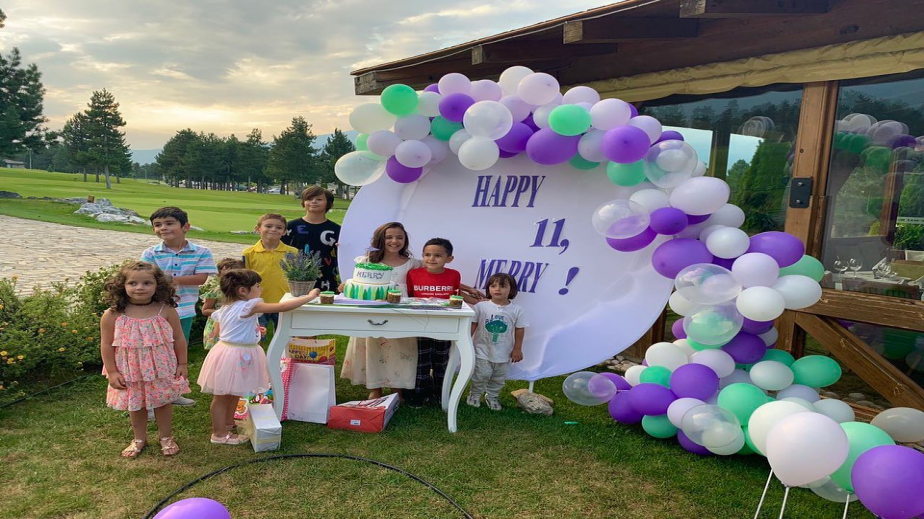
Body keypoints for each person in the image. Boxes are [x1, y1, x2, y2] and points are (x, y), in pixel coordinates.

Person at [197, 269, 319, 445]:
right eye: (257, 286)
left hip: (227, 352)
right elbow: (282, 307)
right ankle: (219, 434)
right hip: (236, 355)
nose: (260, 289)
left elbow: (219, 332)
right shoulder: (249, 306)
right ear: (243, 290)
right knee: (222, 397)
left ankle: (228, 423)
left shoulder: (225, 308)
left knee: (233, 392)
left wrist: (251, 330)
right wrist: (309, 297)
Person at [101, 261, 189, 458]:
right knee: (136, 404)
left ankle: (166, 437)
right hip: (130, 370)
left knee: (163, 402)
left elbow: (179, 338)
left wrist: (182, 363)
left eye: (147, 283)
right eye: (133, 283)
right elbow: (106, 345)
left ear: (158, 285)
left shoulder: (166, 310)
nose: (140, 287)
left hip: (160, 368)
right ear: (122, 285)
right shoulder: (113, 314)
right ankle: (139, 439)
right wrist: (112, 372)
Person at [141, 206, 217, 406]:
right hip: (155, 312)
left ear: (185, 227)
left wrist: (167, 279)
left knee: (177, 351)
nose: (163, 228)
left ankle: (174, 391)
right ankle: (150, 396)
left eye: (169, 223)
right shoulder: (150, 253)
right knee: (154, 352)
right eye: (157, 225)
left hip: (183, 310)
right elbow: (144, 277)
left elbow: (200, 278)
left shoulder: (201, 252)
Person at [341, 222, 421, 400]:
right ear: (380, 239)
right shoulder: (367, 262)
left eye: (399, 237)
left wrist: (465, 288)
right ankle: (374, 386)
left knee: (399, 349)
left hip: (400, 313)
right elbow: (357, 283)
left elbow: (433, 276)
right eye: (389, 237)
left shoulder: (413, 264)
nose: (394, 241)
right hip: (372, 312)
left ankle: (397, 387)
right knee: (373, 347)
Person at [405, 237, 462, 406]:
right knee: (420, 359)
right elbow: (410, 297)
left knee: (441, 359)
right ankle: (419, 393)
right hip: (420, 323)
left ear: (449, 258)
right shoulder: (413, 274)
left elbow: (456, 297)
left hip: (444, 324)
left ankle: (441, 392)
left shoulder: (454, 275)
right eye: (427, 255)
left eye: (438, 255)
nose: (431, 259)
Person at [467, 273, 529, 411]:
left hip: (504, 353)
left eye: (503, 286)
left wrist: (517, 348)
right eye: (493, 286)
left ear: (511, 290)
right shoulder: (480, 307)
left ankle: (492, 396)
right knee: (481, 375)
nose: (497, 289)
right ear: (488, 289)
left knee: (499, 378)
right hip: (482, 350)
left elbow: (519, 329)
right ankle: (474, 395)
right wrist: (466, 343)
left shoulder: (517, 310)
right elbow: (473, 325)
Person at [243, 213, 299, 331]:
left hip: (285, 301)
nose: (273, 229)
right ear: (258, 229)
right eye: (268, 226)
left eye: (279, 227)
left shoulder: (292, 252)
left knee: (284, 334)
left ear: (284, 232)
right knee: (257, 335)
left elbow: (297, 277)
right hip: (258, 303)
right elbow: (244, 279)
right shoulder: (248, 253)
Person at [282, 186, 341, 293]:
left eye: (319, 199)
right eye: (309, 199)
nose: (313, 202)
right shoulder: (291, 227)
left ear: (329, 203)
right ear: (303, 202)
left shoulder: (336, 230)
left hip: (326, 279)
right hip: (296, 280)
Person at [200, 258, 245, 350]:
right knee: (219, 349)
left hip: (236, 324)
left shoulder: (243, 291)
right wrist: (224, 312)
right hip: (219, 324)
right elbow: (205, 310)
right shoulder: (217, 291)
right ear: (220, 274)